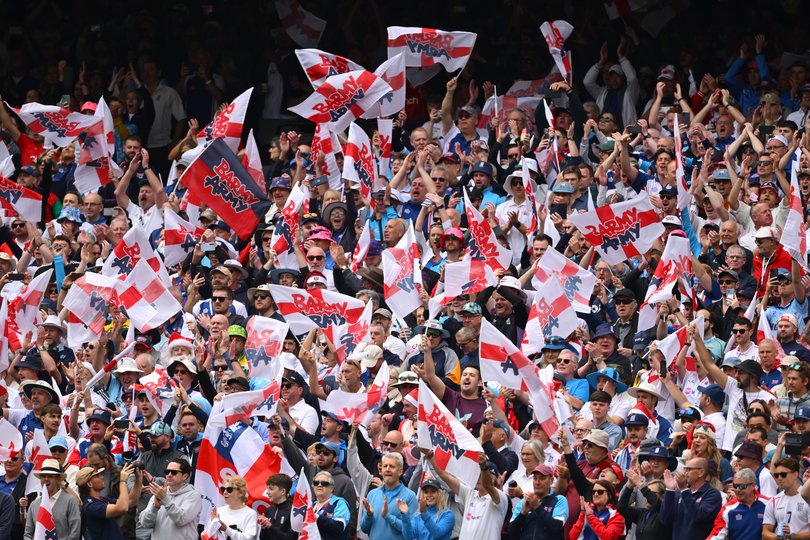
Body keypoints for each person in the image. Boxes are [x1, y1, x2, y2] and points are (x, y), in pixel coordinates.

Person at [138, 457, 202, 540]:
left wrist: (165, 499)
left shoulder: (193, 496)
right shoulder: (159, 493)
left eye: (174, 472)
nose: (169, 475)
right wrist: (155, 507)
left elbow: (181, 519)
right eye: (167, 472)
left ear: (185, 476)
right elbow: (145, 523)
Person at [659, 457, 722, 540]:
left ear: (701, 472)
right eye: (685, 469)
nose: (685, 473)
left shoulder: (712, 494)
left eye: (689, 469)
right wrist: (670, 490)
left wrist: (684, 490)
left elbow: (699, 516)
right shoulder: (680, 492)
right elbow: (665, 519)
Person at [360, 453, 418, 540]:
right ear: (381, 471)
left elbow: (411, 534)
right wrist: (369, 515)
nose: (387, 469)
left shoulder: (410, 496)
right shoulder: (372, 494)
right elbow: (364, 529)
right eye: (385, 466)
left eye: (392, 466)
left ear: (400, 471)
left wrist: (388, 517)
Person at [23, 458, 81, 540]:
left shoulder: (70, 501)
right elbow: (27, 534)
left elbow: (74, 532)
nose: (46, 479)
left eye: (50, 476)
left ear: (58, 479)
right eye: (43, 476)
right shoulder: (34, 505)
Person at [78, 462, 138, 540]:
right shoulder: (90, 506)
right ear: (89, 484)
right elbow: (123, 508)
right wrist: (122, 481)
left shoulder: (102, 499)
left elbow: (131, 501)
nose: (102, 477)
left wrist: (138, 479)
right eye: (97, 476)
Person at [508, 464, 568, 539]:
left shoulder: (559, 500)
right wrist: (522, 514)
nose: (537, 482)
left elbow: (557, 527)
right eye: (535, 478)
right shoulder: (524, 501)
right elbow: (512, 533)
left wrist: (537, 507)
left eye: (542, 478)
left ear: (551, 480)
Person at [709, 468, 769, 540]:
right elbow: (716, 534)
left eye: (742, 486)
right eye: (735, 486)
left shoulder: (767, 504)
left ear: (753, 485)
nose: (737, 490)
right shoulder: (727, 509)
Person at [768, 457, 810, 539]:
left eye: (783, 475)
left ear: (795, 475)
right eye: (776, 475)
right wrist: (778, 537)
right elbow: (765, 533)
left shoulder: (807, 498)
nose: (779, 478)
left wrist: (792, 536)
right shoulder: (774, 500)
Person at [209, 475, 259, 540]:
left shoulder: (250, 514)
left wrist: (226, 529)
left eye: (229, 490)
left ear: (240, 493)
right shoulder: (218, 511)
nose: (225, 492)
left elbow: (248, 538)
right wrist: (212, 526)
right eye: (223, 489)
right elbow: (205, 535)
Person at [312, 470, 352, 540]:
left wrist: (318, 518)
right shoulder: (311, 505)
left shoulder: (339, 503)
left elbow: (338, 528)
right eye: (316, 483)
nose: (319, 485)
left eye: (324, 483)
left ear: (331, 488)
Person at [259, 474, 295, 540]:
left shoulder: (293, 511)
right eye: (267, 489)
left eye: (271, 489)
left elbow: (291, 538)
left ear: (282, 491)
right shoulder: (268, 510)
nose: (267, 492)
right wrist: (264, 528)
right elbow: (262, 538)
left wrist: (270, 526)